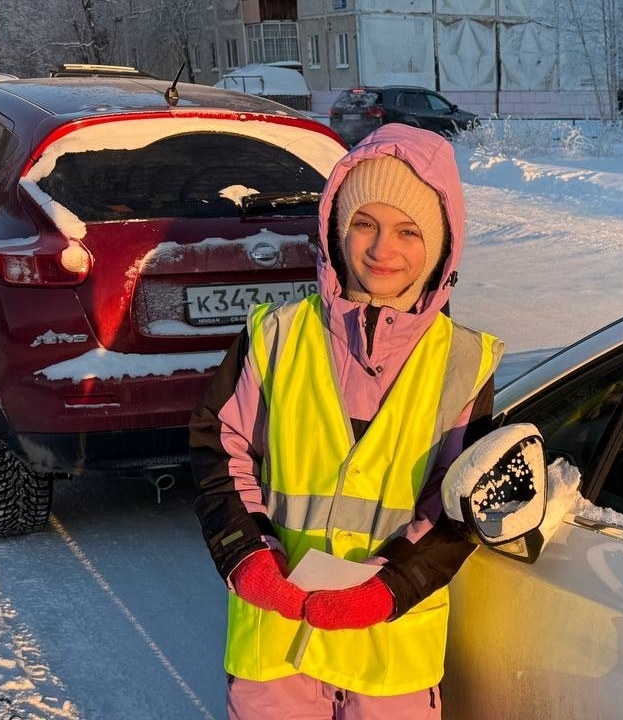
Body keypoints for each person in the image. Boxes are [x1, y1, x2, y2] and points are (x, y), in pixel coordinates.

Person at [189, 123, 502, 719]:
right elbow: (217, 450)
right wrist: (245, 555)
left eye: (408, 231)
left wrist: (391, 588)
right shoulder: (274, 339)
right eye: (365, 224)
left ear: (440, 245)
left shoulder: (463, 363)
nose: (383, 250)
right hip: (277, 648)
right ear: (336, 228)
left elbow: (459, 506)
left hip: (390, 657)